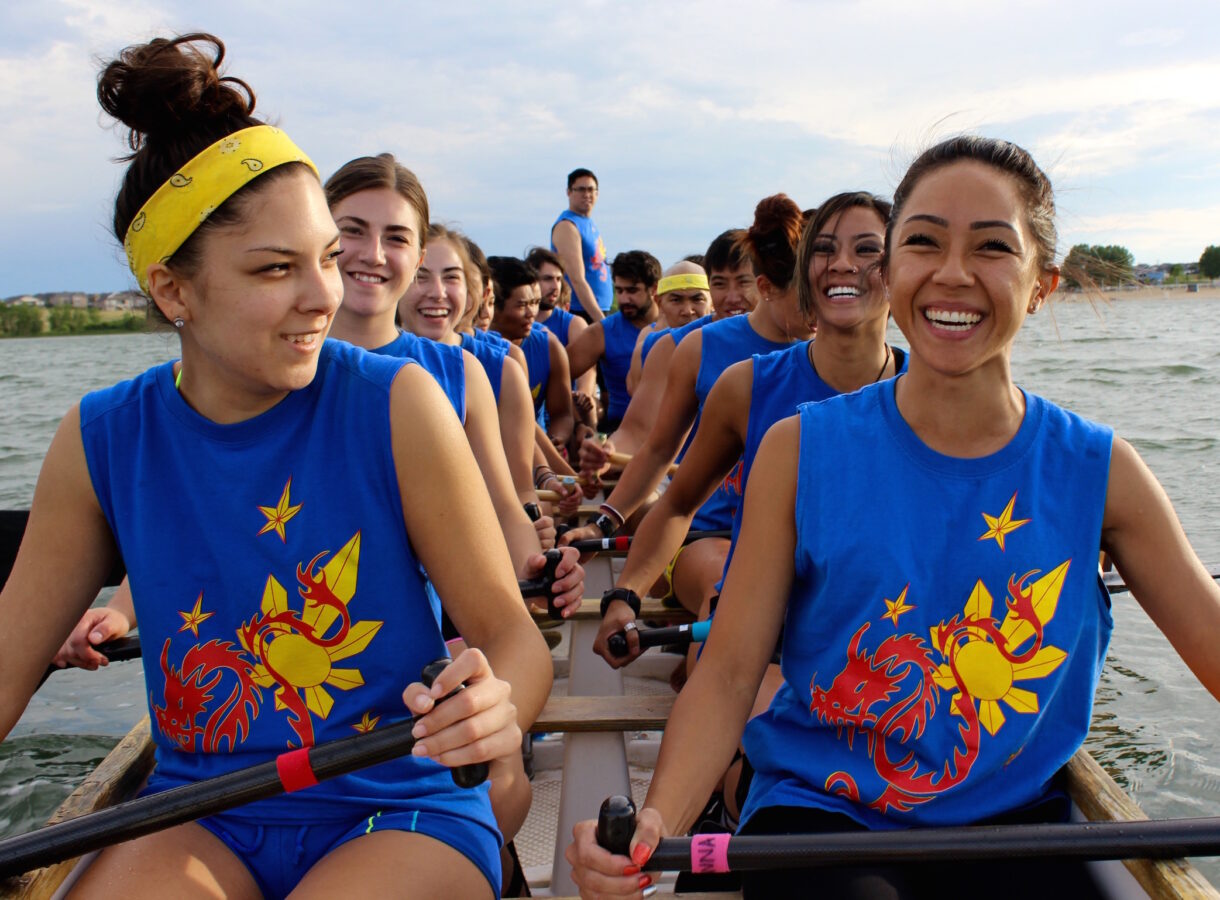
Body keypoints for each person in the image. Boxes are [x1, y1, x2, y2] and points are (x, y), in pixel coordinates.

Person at [565, 136, 1220, 900]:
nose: (951, 272)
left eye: (992, 247)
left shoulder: (1102, 471)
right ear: (894, 271)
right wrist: (656, 822)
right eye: (923, 242)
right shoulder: (798, 448)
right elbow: (732, 671)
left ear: (1042, 284)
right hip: (824, 815)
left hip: (1017, 823)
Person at [2, 34, 550, 899]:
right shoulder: (98, 439)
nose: (325, 295)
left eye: (328, 258)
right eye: (276, 269)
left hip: (400, 798)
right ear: (172, 291)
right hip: (200, 808)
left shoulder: (399, 403)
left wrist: (494, 700)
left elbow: (514, 638)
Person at [561, 197, 813, 616]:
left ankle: (692, 662)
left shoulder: (833, 352)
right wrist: (600, 516)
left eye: (742, 282)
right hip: (707, 531)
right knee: (741, 603)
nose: (732, 296)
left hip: (796, 541)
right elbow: (648, 443)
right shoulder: (689, 347)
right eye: (721, 283)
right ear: (773, 285)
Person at [566, 250, 662, 433]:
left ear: (654, 288)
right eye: (619, 290)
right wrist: (577, 422)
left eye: (632, 290)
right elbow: (556, 375)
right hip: (622, 431)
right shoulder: (602, 332)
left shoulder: (676, 324)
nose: (624, 298)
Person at [489, 256, 575, 450]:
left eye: (535, 303)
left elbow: (562, 415)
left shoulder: (551, 347)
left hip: (534, 448)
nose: (532, 313)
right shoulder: (472, 349)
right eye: (521, 305)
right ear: (493, 305)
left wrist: (557, 439)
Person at [625, 259, 712, 394]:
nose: (688, 310)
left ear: (712, 302)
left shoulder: (730, 342)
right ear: (660, 304)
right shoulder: (646, 350)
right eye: (676, 300)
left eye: (697, 299)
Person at [551, 168, 613, 322]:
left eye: (591, 189)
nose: (587, 194)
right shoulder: (568, 226)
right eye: (581, 189)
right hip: (581, 311)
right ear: (569, 192)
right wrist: (602, 323)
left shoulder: (588, 224)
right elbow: (576, 279)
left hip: (598, 309)